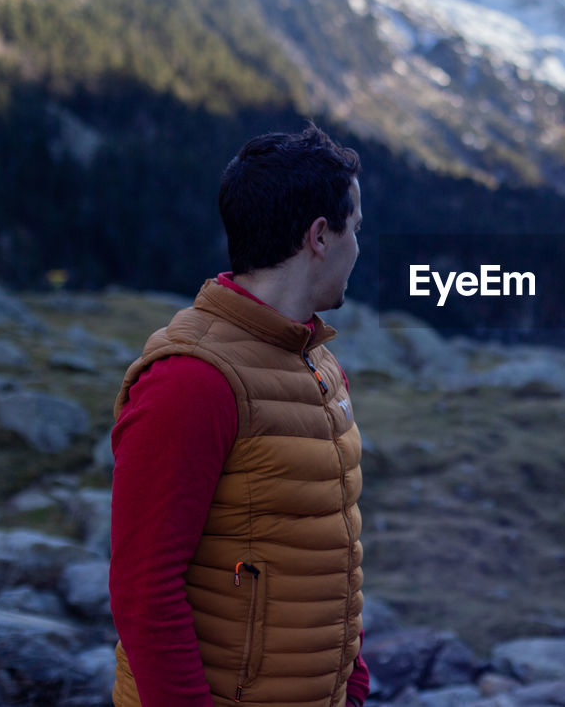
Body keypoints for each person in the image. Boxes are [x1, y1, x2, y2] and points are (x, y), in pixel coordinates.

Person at [109, 125, 369, 706]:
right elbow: (143, 593)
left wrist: (352, 684)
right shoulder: (191, 379)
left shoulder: (317, 362)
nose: (361, 246)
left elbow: (324, 550)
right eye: (357, 228)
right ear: (320, 236)